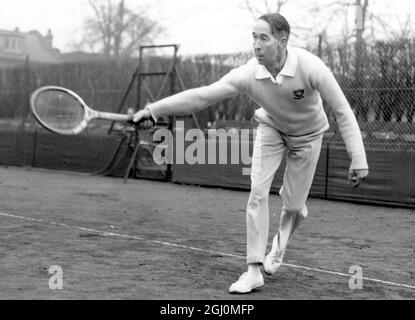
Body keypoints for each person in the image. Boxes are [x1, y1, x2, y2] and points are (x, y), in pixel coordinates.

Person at [133, 13, 369, 294]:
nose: (256, 45)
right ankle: (253, 270)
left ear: (283, 40)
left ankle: (280, 244)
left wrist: (359, 157)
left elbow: (343, 111)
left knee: (293, 207)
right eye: (253, 37)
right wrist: (153, 110)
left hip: (309, 136)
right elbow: (204, 95)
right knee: (258, 191)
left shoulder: (310, 67)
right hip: (271, 129)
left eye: (263, 38)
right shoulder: (248, 73)